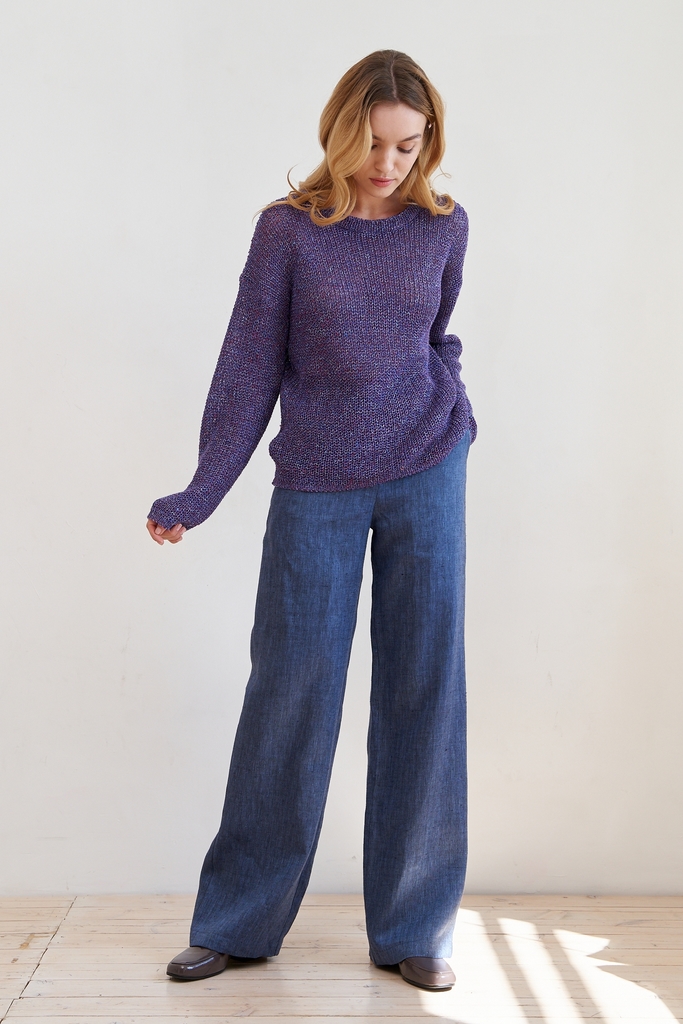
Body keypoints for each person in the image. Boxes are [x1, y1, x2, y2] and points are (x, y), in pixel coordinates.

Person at [146, 49, 476, 993]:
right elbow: (248, 364)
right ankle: (238, 922)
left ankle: (415, 928)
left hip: (427, 471)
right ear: (338, 133)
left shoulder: (443, 226)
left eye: (408, 146)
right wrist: (200, 490)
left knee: (424, 690)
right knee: (290, 689)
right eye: (373, 144)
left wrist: (452, 409)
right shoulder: (287, 231)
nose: (389, 165)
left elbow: (435, 338)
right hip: (318, 483)